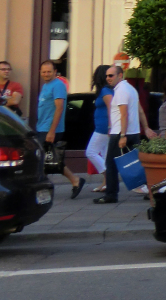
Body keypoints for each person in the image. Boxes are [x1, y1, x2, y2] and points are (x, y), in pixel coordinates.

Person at [37, 60, 85, 198]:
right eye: (44, 72)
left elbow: (59, 108)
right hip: (42, 127)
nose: (46, 74)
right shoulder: (46, 85)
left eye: (49, 71)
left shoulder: (57, 85)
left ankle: (45, 188)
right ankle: (74, 180)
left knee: (44, 159)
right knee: (49, 159)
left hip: (50, 129)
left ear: (55, 72)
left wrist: (51, 131)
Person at [97, 63, 142, 204]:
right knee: (138, 162)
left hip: (122, 133)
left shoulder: (121, 90)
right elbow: (137, 111)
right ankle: (152, 189)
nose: (108, 78)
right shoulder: (130, 88)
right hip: (133, 131)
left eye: (111, 75)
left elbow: (124, 114)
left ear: (120, 75)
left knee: (110, 164)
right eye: (106, 76)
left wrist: (122, 135)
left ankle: (111, 194)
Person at [85, 65, 113, 193]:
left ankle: (108, 175)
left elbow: (111, 107)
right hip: (103, 127)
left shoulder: (105, 91)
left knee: (91, 152)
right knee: (105, 154)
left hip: (103, 128)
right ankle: (106, 183)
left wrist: (110, 127)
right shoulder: (106, 90)